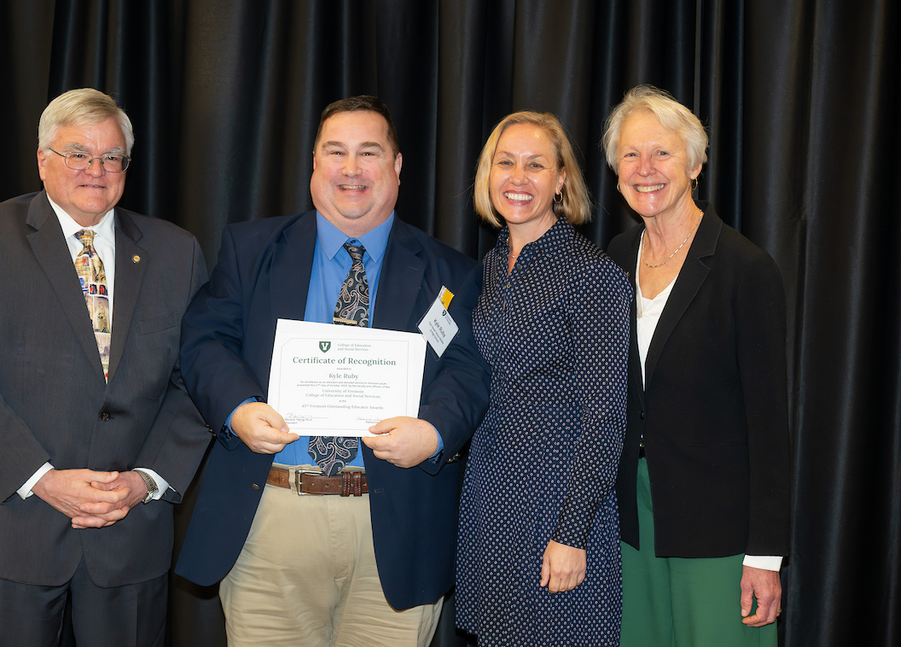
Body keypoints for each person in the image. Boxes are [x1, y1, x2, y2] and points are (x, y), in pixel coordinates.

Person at [175, 95, 490, 647]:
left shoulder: (451, 272)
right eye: (336, 152)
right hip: (271, 520)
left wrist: (435, 431)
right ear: (314, 165)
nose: (351, 169)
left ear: (396, 167)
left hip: (393, 524)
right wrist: (238, 409)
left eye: (369, 152)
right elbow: (204, 341)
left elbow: (468, 369)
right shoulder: (249, 250)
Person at [0, 88, 214, 646]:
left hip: (128, 532)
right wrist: (44, 481)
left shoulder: (176, 253)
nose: (96, 169)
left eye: (111, 157)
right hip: (7, 530)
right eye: (78, 154)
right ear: (42, 159)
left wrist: (145, 481)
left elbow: (195, 385)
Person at [604, 85, 791, 646]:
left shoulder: (745, 269)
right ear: (615, 171)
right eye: (631, 155)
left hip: (719, 531)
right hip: (631, 524)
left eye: (662, 152)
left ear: (696, 163)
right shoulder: (615, 257)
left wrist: (765, 555)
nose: (645, 169)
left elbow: (769, 427)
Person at [454, 111, 631, 646]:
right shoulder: (488, 268)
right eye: (505, 163)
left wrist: (572, 533)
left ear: (561, 180)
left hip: (558, 503)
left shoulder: (593, 274)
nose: (518, 177)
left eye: (536, 165)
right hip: (490, 496)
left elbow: (605, 414)